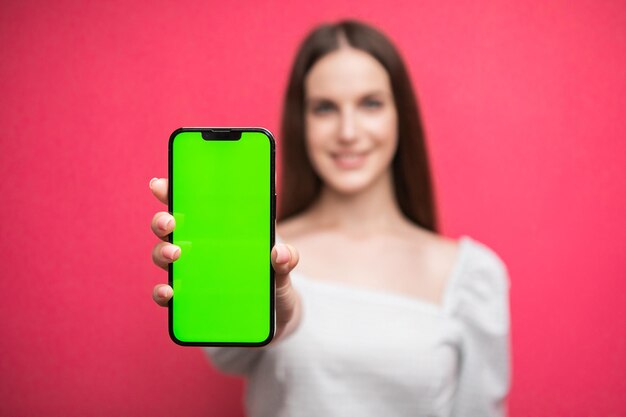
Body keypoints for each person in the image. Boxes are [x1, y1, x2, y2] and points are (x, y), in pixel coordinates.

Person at [149, 20, 510, 417]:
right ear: (300, 123)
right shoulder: (266, 252)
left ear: (399, 116)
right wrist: (274, 311)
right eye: (325, 108)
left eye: (370, 103)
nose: (348, 131)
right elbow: (229, 353)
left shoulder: (473, 274)